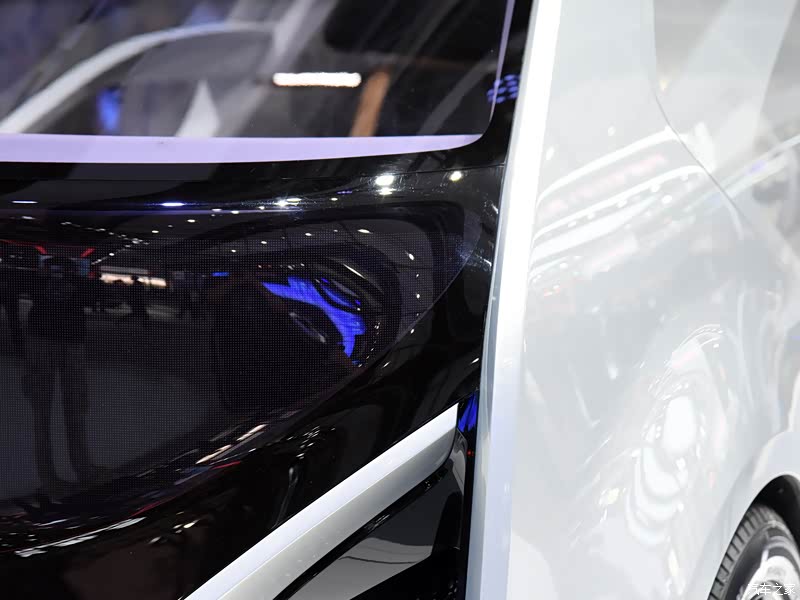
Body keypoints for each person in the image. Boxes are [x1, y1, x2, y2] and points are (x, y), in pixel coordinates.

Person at [24, 257, 99, 490]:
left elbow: (90, 298)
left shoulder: (45, 281)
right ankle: (75, 469)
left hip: (47, 337)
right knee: (61, 404)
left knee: (53, 406)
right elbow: (89, 299)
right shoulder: (41, 281)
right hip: (62, 338)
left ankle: (60, 472)